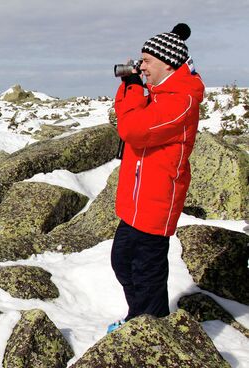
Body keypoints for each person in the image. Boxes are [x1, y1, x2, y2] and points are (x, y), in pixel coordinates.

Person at [108, 23, 205, 333]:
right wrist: (131, 84)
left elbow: (133, 130)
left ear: (168, 63)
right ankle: (140, 318)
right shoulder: (159, 94)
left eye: (147, 60)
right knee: (123, 261)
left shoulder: (182, 100)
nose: (142, 66)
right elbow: (125, 116)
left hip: (155, 202)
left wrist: (134, 86)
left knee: (146, 271)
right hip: (136, 201)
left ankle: (152, 330)